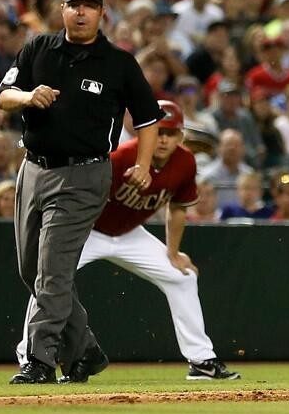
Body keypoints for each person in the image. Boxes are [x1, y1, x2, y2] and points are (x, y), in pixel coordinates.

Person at [0, 0, 163, 384]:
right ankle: (84, 351)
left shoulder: (118, 63)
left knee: (52, 271)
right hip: (32, 168)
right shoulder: (38, 48)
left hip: (84, 174)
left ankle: (39, 359)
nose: (81, 11)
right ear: (62, 10)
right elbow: (2, 96)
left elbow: (148, 119)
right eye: (74, 4)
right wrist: (28, 96)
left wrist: (142, 164)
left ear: (102, 12)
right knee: (30, 269)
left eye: (89, 5)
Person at [15, 101, 239, 380]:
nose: (164, 139)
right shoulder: (122, 156)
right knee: (49, 280)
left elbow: (178, 208)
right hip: (88, 231)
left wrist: (173, 252)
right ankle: (29, 356)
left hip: (130, 234)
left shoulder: (185, 161)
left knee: (182, 277)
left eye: (171, 133)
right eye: (158, 131)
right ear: (145, 132)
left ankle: (202, 360)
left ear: (182, 136)